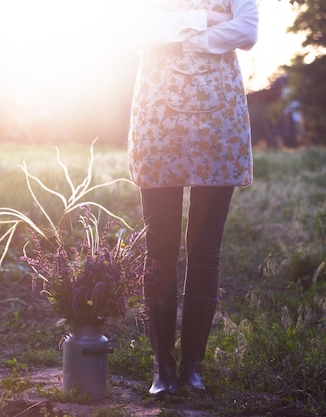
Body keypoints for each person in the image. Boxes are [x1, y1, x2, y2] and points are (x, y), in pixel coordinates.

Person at [125, 0, 259, 396]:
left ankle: (192, 368)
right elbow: (139, 32)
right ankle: (162, 367)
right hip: (159, 126)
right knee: (159, 248)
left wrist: (174, 33)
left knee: (205, 249)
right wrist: (207, 21)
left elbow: (247, 32)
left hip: (219, 127)